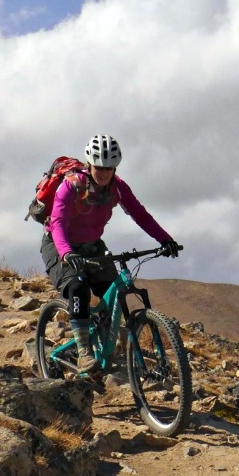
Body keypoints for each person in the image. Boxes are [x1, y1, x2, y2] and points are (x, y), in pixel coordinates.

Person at [40, 134, 180, 373]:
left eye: (109, 168)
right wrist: (66, 253)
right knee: (78, 287)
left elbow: (140, 215)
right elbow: (58, 223)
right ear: (90, 164)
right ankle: (84, 353)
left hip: (93, 245)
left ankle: (103, 346)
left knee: (111, 294)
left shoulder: (118, 187)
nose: (104, 172)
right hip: (59, 244)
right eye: (99, 167)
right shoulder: (71, 185)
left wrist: (165, 239)